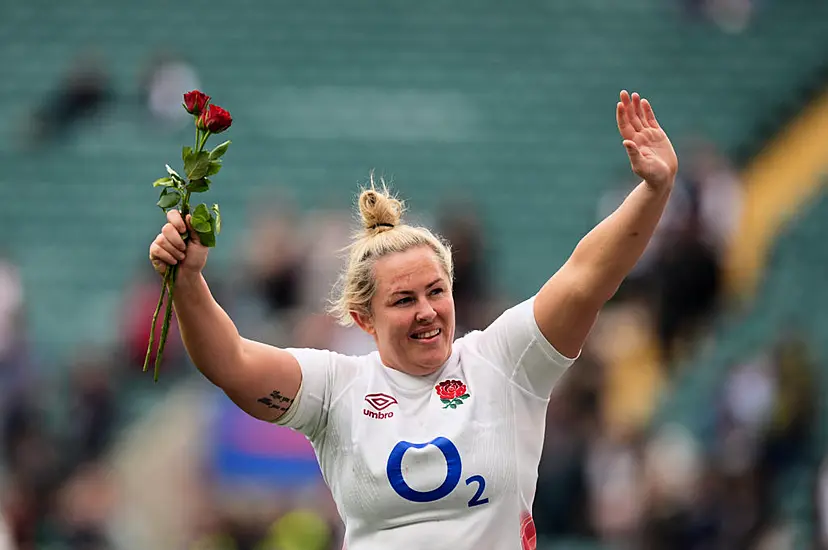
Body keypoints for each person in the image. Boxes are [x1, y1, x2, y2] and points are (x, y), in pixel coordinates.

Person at [148, 90, 678, 550]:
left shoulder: (502, 362)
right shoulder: (337, 388)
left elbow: (586, 276)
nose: (426, 311)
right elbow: (232, 363)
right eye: (403, 300)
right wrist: (190, 281)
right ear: (364, 319)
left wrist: (653, 192)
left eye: (436, 292)